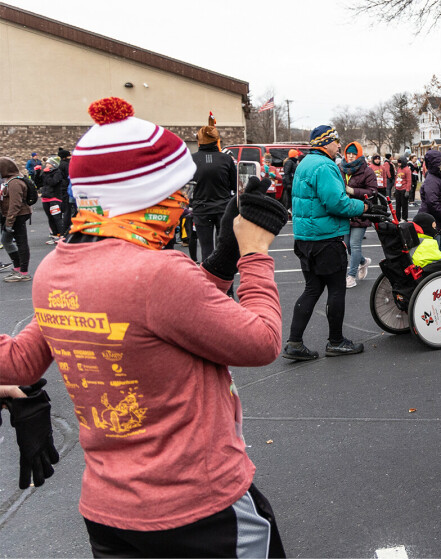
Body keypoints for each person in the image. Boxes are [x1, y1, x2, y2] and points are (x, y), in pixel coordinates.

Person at [0, 97, 289, 556]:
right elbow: (263, 341)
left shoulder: (57, 268)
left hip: (110, 514)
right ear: (149, 195)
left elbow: (21, 360)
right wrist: (253, 254)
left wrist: (223, 257)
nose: (183, 206)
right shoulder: (159, 273)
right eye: (179, 193)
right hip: (199, 508)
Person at [285, 125, 381, 361]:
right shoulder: (325, 166)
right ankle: (336, 342)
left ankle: (294, 343)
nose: (339, 145)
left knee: (312, 289)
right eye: (336, 141)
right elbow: (337, 203)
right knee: (337, 290)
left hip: (305, 238)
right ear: (325, 142)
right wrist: (366, 207)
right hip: (326, 239)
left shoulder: (304, 163)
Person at [189, 113, 236, 263]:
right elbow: (235, 184)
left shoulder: (191, 159)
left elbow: (186, 185)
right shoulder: (226, 159)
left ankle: (208, 280)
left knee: (206, 249)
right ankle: (224, 283)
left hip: (200, 208)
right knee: (223, 248)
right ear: (216, 140)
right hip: (223, 207)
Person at [341, 142, 378, 288]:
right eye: (348, 153)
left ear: (359, 154)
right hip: (344, 213)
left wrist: (352, 191)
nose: (350, 156)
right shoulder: (340, 168)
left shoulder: (367, 171)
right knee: (348, 246)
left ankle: (351, 276)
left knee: (355, 245)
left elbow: (373, 192)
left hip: (361, 213)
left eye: (353, 153)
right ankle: (363, 262)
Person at [1, 157, 33, 282]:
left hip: (17, 216)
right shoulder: (10, 180)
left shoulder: (14, 182)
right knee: (6, 240)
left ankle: (23, 272)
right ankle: (18, 268)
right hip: (12, 216)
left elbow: (15, 205)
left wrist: (9, 222)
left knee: (21, 242)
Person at [40, 156, 67, 243]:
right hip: (45, 198)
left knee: (57, 217)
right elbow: (39, 182)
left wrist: (47, 174)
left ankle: (62, 235)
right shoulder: (45, 172)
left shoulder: (57, 173)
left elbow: (53, 182)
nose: (46, 165)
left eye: (48, 163)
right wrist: (37, 172)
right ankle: (55, 235)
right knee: (50, 218)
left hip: (54, 198)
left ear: (53, 165)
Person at [394, 156, 413, 221]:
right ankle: (397, 218)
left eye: (400, 162)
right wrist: (395, 188)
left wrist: (407, 191)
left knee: (404, 205)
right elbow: (397, 178)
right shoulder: (399, 168)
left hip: (404, 189)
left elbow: (409, 180)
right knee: (397, 205)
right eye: (398, 162)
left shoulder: (407, 169)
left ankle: (404, 218)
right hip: (398, 189)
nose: (399, 164)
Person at [282, 149, 300, 214]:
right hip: (290, 183)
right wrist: (289, 183)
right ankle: (287, 211)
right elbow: (286, 173)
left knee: (290, 198)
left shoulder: (292, 162)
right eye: (297, 155)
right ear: (294, 155)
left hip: (291, 183)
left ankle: (289, 210)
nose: (298, 156)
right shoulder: (289, 162)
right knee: (289, 199)